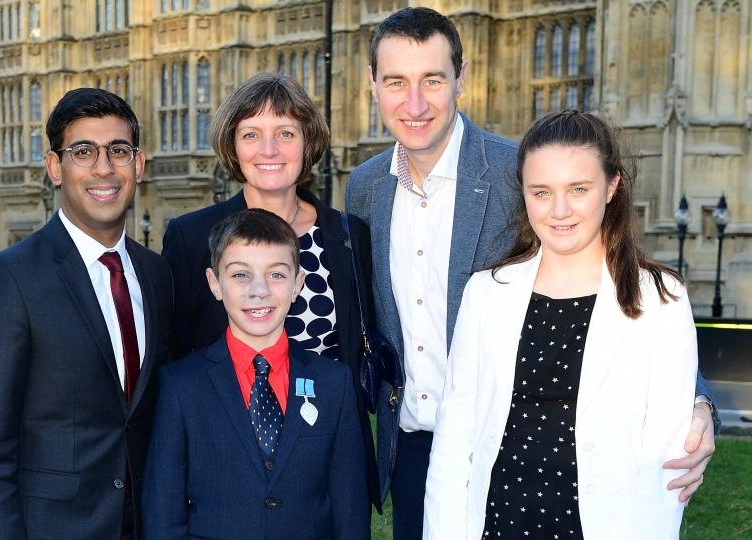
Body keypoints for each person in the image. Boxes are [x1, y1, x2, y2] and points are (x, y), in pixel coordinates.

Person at [344, 8, 718, 540]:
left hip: (517, 447)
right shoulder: (364, 189)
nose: (415, 103)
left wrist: (698, 403)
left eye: (432, 80)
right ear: (372, 85)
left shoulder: (522, 171)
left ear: (462, 78)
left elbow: (623, 298)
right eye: (396, 82)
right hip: (412, 445)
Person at [423, 110, 698, 538]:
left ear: (611, 187)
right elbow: (456, 437)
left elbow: (663, 462)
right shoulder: (485, 291)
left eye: (579, 189)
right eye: (542, 192)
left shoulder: (662, 299)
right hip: (497, 520)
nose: (560, 210)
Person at [0, 88, 173, 540]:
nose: (103, 168)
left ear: (139, 164)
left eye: (118, 150)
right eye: (83, 152)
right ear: (56, 168)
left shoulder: (157, 274)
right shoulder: (8, 278)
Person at [162, 72, 380, 509]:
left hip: (325, 459)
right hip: (224, 458)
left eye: (285, 133)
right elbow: (178, 357)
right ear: (232, 146)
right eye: (251, 134)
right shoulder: (191, 237)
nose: (269, 150)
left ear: (308, 141)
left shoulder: (347, 235)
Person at [142, 208, 370, 539]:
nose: (258, 290)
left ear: (297, 285)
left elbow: (350, 509)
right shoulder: (181, 385)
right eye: (240, 275)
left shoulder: (334, 382)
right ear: (214, 283)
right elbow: (163, 511)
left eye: (276, 275)